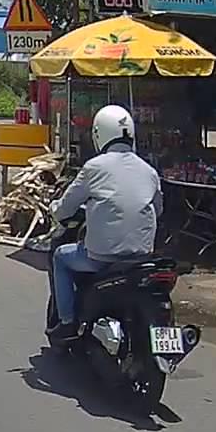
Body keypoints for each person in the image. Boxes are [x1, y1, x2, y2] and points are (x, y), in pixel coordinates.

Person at [48, 104, 163, 340]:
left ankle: (67, 322)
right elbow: (158, 210)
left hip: (102, 258)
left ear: (99, 134)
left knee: (60, 257)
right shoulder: (149, 171)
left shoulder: (94, 167)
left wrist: (55, 210)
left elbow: (66, 207)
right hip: (142, 257)